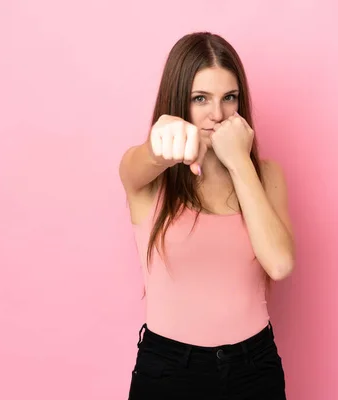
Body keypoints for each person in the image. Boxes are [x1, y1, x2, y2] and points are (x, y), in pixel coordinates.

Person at [118, 31, 295, 400]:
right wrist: (159, 145)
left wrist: (238, 163)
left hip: (254, 367)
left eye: (229, 98)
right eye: (200, 99)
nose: (217, 115)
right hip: (168, 370)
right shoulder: (149, 178)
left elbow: (279, 264)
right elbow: (138, 163)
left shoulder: (267, 175)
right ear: (178, 102)